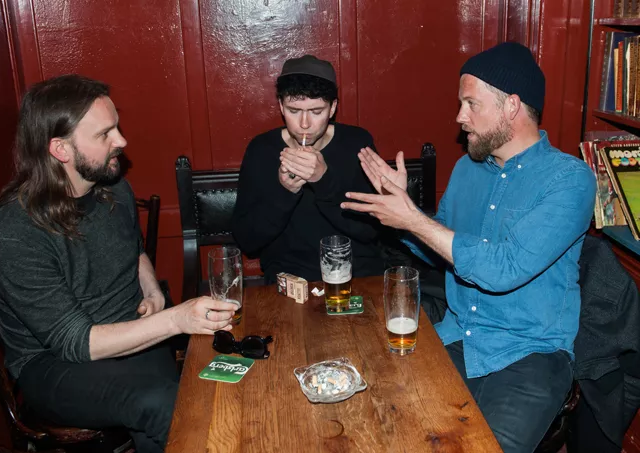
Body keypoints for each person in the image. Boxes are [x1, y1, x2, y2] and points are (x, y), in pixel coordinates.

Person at [341, 42, 597, 452]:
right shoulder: (467, 169)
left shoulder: (570, 179)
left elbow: (503, 269)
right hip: (458, 335)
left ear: (511, 106)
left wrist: (413, 219)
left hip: (529, 355)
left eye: (470, 104)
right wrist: (404, 214)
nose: (459, 117)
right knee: (382, 427)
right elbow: (439, 244)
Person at [0, 74, 237, 453]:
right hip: (57, 364)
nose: (121, 140)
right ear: (60, 149)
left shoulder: (114, 188)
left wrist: (152, 290)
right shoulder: (15, 231)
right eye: (105, 134)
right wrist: (176, 319)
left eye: (117, 126)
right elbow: (75, 342)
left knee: (214, 381)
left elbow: (134, 250)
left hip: (127, 330)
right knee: (162, 404)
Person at [232, 55, 385, 283]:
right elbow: (248, 241)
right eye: (294, 111)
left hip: (356, 273)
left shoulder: (356, 143)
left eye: (316, 111)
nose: (304, 124)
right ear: (281, 106)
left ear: (332, 108)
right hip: (290, 277)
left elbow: (370, 232)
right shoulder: (262, 150)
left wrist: (323, 180)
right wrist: (285, 192)